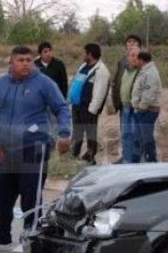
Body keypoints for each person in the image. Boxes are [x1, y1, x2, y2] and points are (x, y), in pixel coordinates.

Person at [0, 46, 72, 253]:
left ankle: (30, 238)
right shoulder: (1, 84)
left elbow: (61, 108)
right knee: (0, 194)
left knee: (31, 195)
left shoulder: (44, 83)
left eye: (29, 60)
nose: (26, 63)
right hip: (5, 148)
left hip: (34, 146)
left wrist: (64, 133)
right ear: (11, 62)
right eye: (20, 60)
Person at [68, 43, 110, 165]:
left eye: (84, 53)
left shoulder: (101, 71)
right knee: (77, 133)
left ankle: (90, 157)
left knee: (90, 133)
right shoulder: (83, 66)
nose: (83, 55)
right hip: (77, 106)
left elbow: (100, 92)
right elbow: (76, 82)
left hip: (88, 108)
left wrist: (93, 110)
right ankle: (74, 154)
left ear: (90, 54)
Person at [109, 34, 142, 163]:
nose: (131, 44)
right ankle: (126, 157)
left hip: (137, 105)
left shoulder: (143, 60)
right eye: (129, 42)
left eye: (134, 42)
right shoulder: (121, 61)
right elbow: (117, 81)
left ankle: (137, 159)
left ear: (139, 45)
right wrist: (115, 101)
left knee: (136, 134)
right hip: (124, 104)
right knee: (125, 133)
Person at [131, 51, 162, 163]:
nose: (136, 61)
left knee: (146, 138)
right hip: (142, 110)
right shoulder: (144, 71)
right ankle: (137, 161)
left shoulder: (151, 73)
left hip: (147, 111)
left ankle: (152, 161)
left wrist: (141, 107)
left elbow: (149, 94)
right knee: (139, 137)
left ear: (142, 60)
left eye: (137, 59)